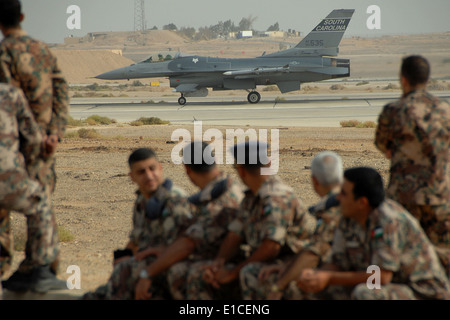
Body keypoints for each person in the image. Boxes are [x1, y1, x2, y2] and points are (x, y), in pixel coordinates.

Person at [297, 167, 450, 300]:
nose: (338, 198)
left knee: (365, 293)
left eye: (343, 193)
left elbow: (381, 277)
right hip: (386, 286)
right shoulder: (348, 217)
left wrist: (328, 277)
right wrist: (316, 276)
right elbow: (337, 262)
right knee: (316, 289)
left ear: (362, 202)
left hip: (421, 292)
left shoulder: (390, 220)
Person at [0, 0, 70, 288]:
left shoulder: (3, 53)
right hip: (42, 143)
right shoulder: (42, 49)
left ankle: (5, 265)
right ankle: (43, 267)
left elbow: (6, 99)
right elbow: (62, 89)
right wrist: (55, 132)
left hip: (11, 143)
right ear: (23, 16)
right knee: (40, 203)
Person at [193, 140, 316, 300]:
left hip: (293, 265)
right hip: (266, 262)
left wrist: (232, 272)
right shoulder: (251, 199)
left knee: (249, 272)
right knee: (204, 271)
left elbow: (271, 247)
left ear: (241, 170)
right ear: (268, 163)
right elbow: (234, 235)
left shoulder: (277, 198)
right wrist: (218, 263)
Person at [134, 141, 245, 300]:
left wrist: (148, 273)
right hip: (225, 257)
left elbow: (188, 244)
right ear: (214, 161)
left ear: (187, 168)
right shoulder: (224, 186)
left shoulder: (218, 199)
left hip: (233, 263)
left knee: (179, 271)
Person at [82, 148, 193, 300]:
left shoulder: (175, 200)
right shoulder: (142, 202)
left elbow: (184, 247)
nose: (149, 176)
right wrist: (123, 257)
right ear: (132, 177)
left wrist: (146, 274)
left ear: (160, 168)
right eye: (141, 172)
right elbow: (136, 240)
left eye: (152, 169)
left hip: (172, 267)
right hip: (149, 265)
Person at [374, 55, 450, 275]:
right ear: (427, 79)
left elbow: (383, 145)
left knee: (401, 257)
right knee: (443, 257)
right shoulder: (445, 110)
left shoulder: (394, 111)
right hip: (440, 194)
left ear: (403, 79)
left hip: (404, 198)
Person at [255, 151, 343, 300]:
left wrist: (279, 286)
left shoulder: (331, 211)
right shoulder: (345, 202)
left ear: (314, 181)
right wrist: (288, 266)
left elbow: (312, 254)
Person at [0, 83, 61, 295]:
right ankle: (41, 272)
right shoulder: (9, 93)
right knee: (40, 204)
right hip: (7, 180)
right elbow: (33, 137)